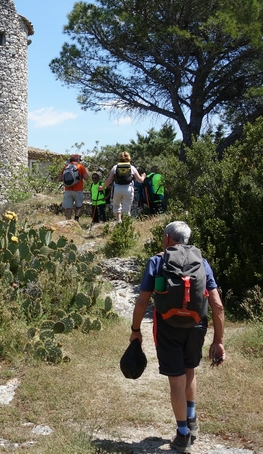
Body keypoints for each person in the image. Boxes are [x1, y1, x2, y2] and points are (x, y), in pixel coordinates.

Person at [130, 221, 226, 453]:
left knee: (176, 379)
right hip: (196, 325)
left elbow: (143, 300)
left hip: (167, 326)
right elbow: (217, 305)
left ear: (166, 238)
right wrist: (219, 341)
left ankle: (182, 434)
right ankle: (191, 420)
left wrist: (135, 331)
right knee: (189, 370)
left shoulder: (157, 261)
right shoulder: (201, 263)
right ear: (187, 240)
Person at [103, 151, 146, 223]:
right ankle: (126, 225)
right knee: (127, 208)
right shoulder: (131, 167)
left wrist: (103, 187)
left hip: (117, 188)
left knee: (116, 205)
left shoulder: (115, 167)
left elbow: (109, 180)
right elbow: (140, 180)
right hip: (128, 188)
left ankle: (119, 221)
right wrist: (143, 176)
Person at [58, 154, 89, 221]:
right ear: (77, 160)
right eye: (79, 160)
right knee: (79, 206)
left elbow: (59, 179)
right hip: (78, 190)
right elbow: (86, 178)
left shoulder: (66, 167)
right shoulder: (80, 166)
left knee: (68, 208)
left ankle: (68, 222)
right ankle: (76, 218)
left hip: (68, 190)